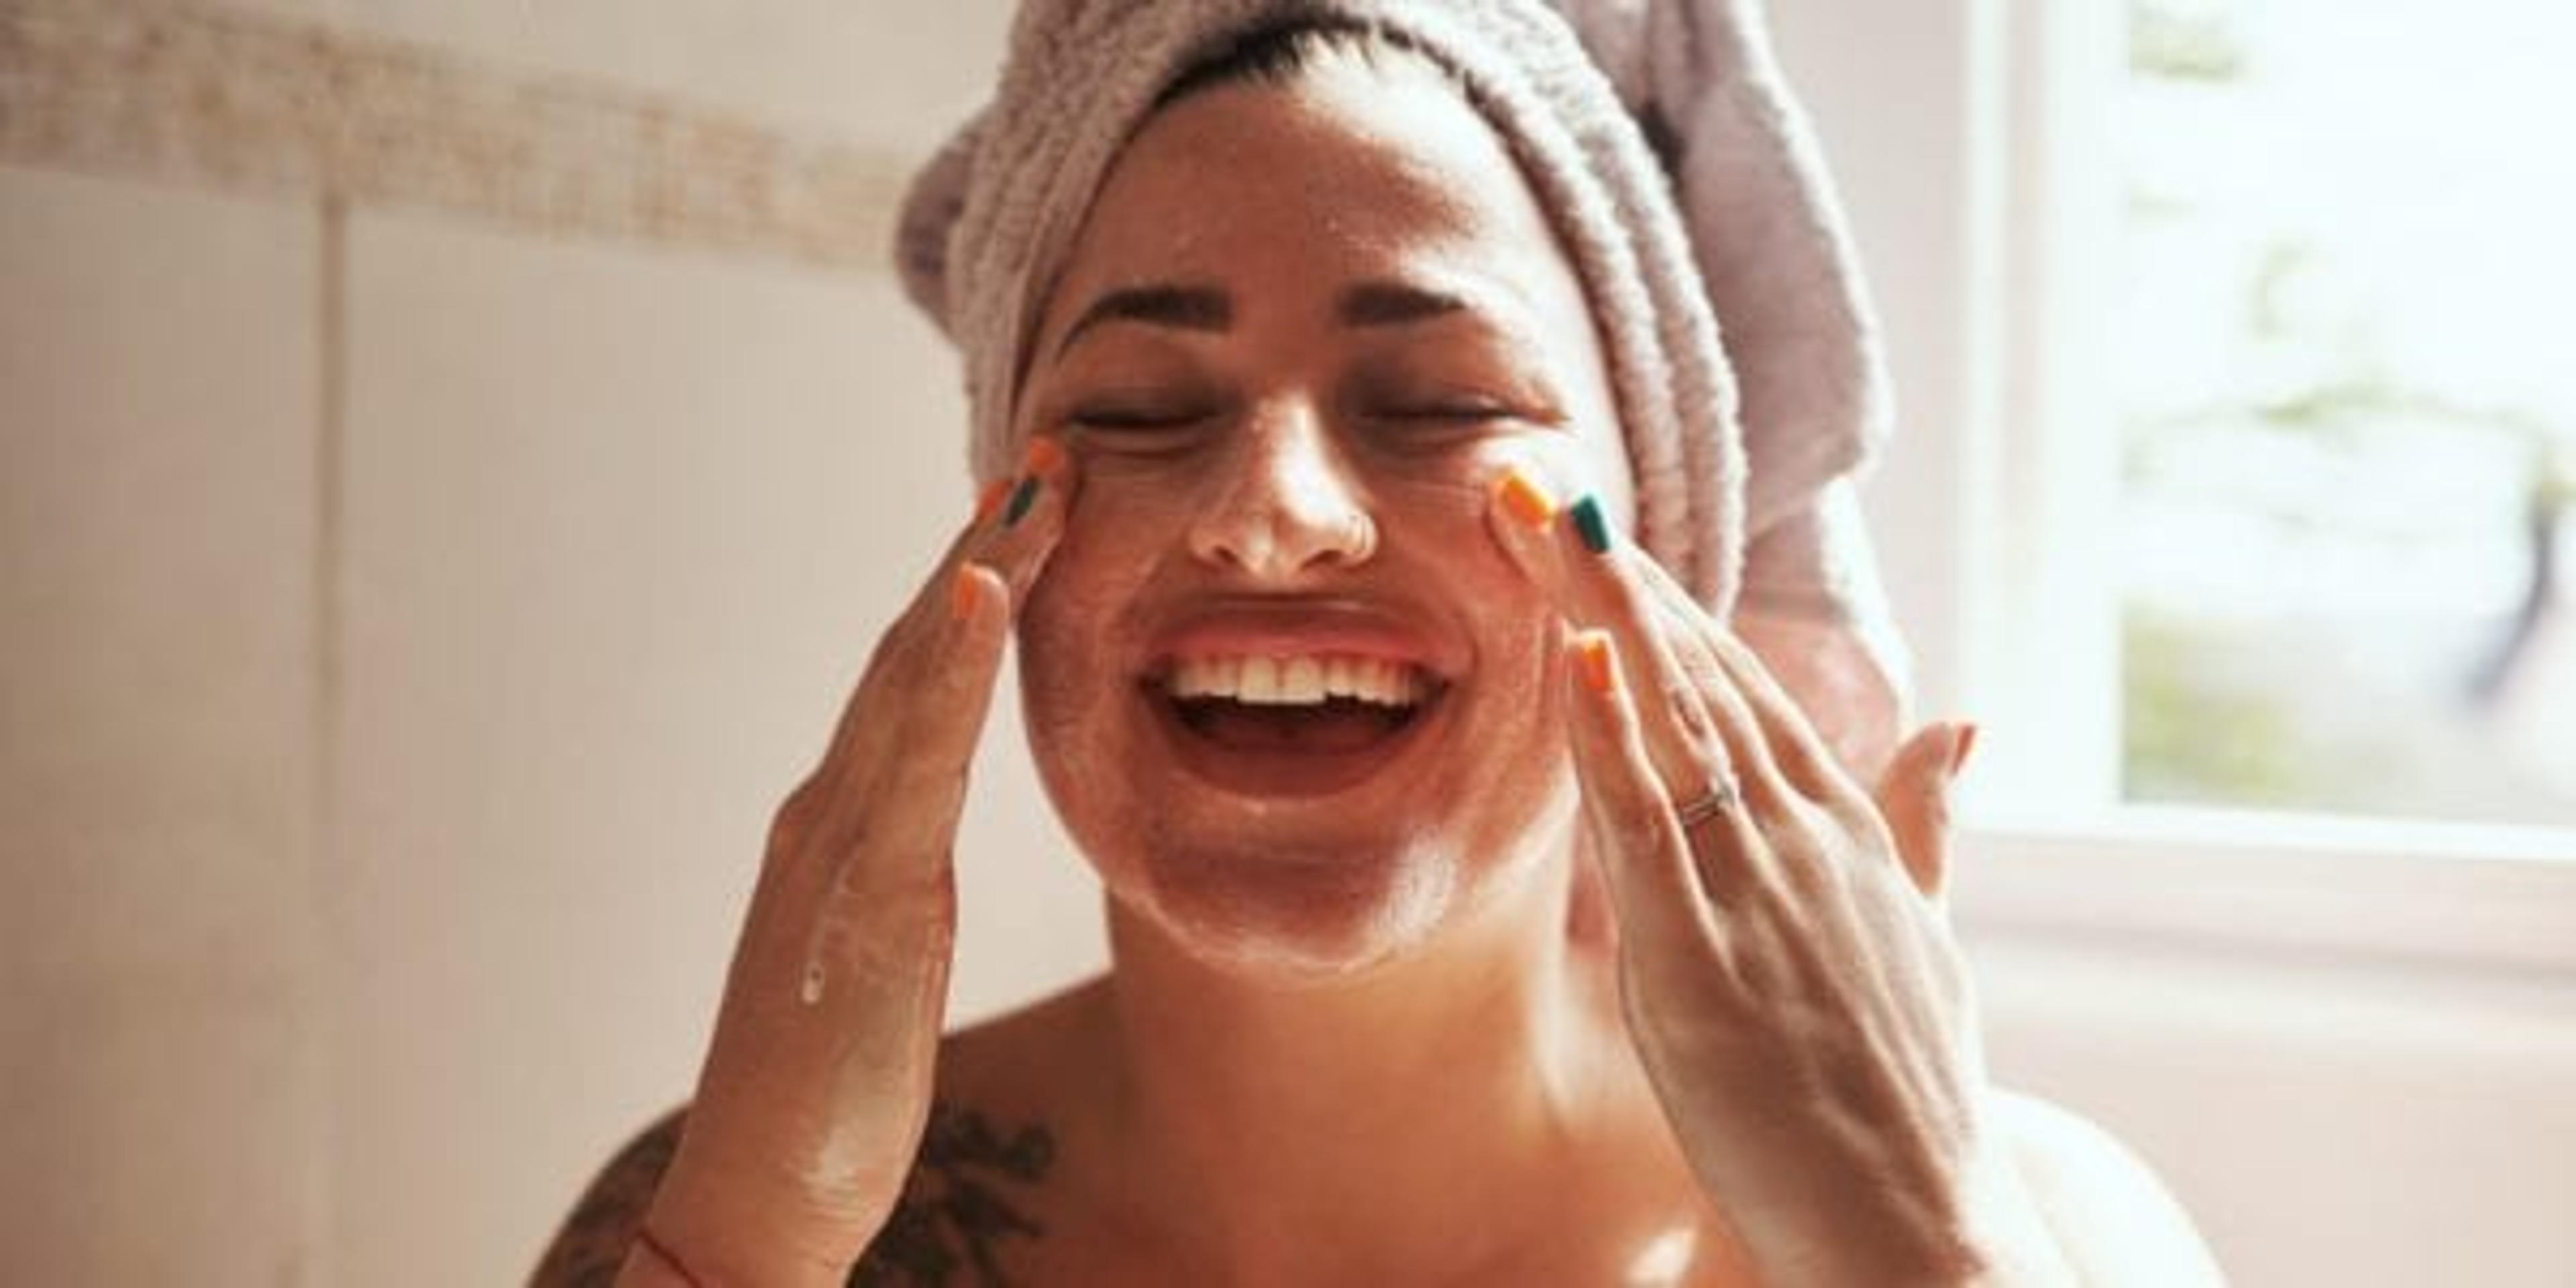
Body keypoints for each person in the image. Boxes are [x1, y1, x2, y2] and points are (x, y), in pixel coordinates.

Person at [533, 5, 2225, 1285]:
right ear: (1002, 526)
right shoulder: (731, 1219)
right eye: (1136, 408)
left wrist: (1914, 1245)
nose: (1272, 511)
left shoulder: (2049, 1230)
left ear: (1668, 540)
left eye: (1443, 401)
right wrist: (749, 1236)